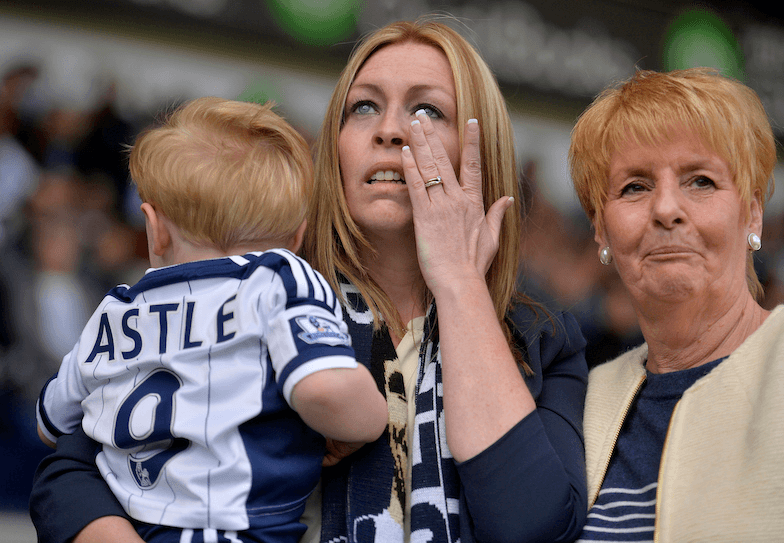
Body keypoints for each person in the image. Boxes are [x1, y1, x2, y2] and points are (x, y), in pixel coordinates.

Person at [30, 19, 589, 543]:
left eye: (428, 112)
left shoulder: (543, 337)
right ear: (335, 149)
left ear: (481, 154)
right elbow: (70, 474)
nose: (391, 130)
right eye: (364, 107)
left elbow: (531, 524)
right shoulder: (263, 293)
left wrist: (459, 283)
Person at [34, 96, 388, 543]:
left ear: (154, 226)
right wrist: (372, 419)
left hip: (135, 522)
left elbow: (51, 422)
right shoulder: (280, 277)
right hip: (240, 529)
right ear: (298, 237)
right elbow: (322, 387)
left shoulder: (116, 309)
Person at [568, 67, 784, 542]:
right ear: (601, 229)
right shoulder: (584, 398)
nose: (666, 208)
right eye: (634, 187)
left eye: (700, 181)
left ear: (753, 212)